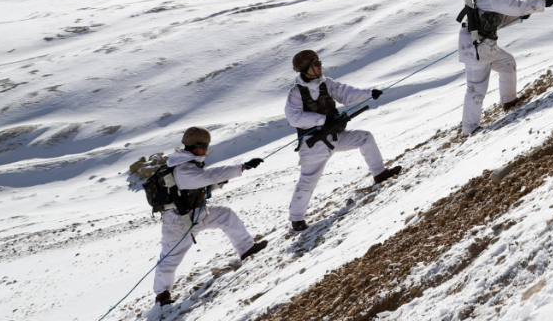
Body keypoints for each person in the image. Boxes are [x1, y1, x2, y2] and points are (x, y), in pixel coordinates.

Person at [286, 50, 400, 231]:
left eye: (319, 62)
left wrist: (369, 93)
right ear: (306, 69)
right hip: (315, 144)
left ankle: (379, 174)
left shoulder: (327, 83)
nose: (320, 66)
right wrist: (322, 120)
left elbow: (346, 93)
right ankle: (296, 219)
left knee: (365, 138)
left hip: (335, 136)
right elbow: (293, 118)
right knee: (308, 181)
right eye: (316, 64)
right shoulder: (296, 93)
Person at [153, 126, 266, 307]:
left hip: (198, 212)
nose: (206, 151)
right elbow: (208, 177)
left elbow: (202, 186)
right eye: (202, 147)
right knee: (170, 258)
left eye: (207, 146)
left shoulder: (190, 164)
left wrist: (218, 184)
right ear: (192, 147)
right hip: (178, 221)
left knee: (226, 216)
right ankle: (162, 294)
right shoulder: (183, 169)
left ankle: (247, 249)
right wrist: (241, 167)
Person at [457, 0, 553, 135]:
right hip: (477, 48)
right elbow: (516, 6)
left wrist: (521, 17)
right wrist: (542, 4)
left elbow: (497, 20)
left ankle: (509, 101)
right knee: (476, 88)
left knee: (507, 64)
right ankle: (470, 129)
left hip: (483, 45)